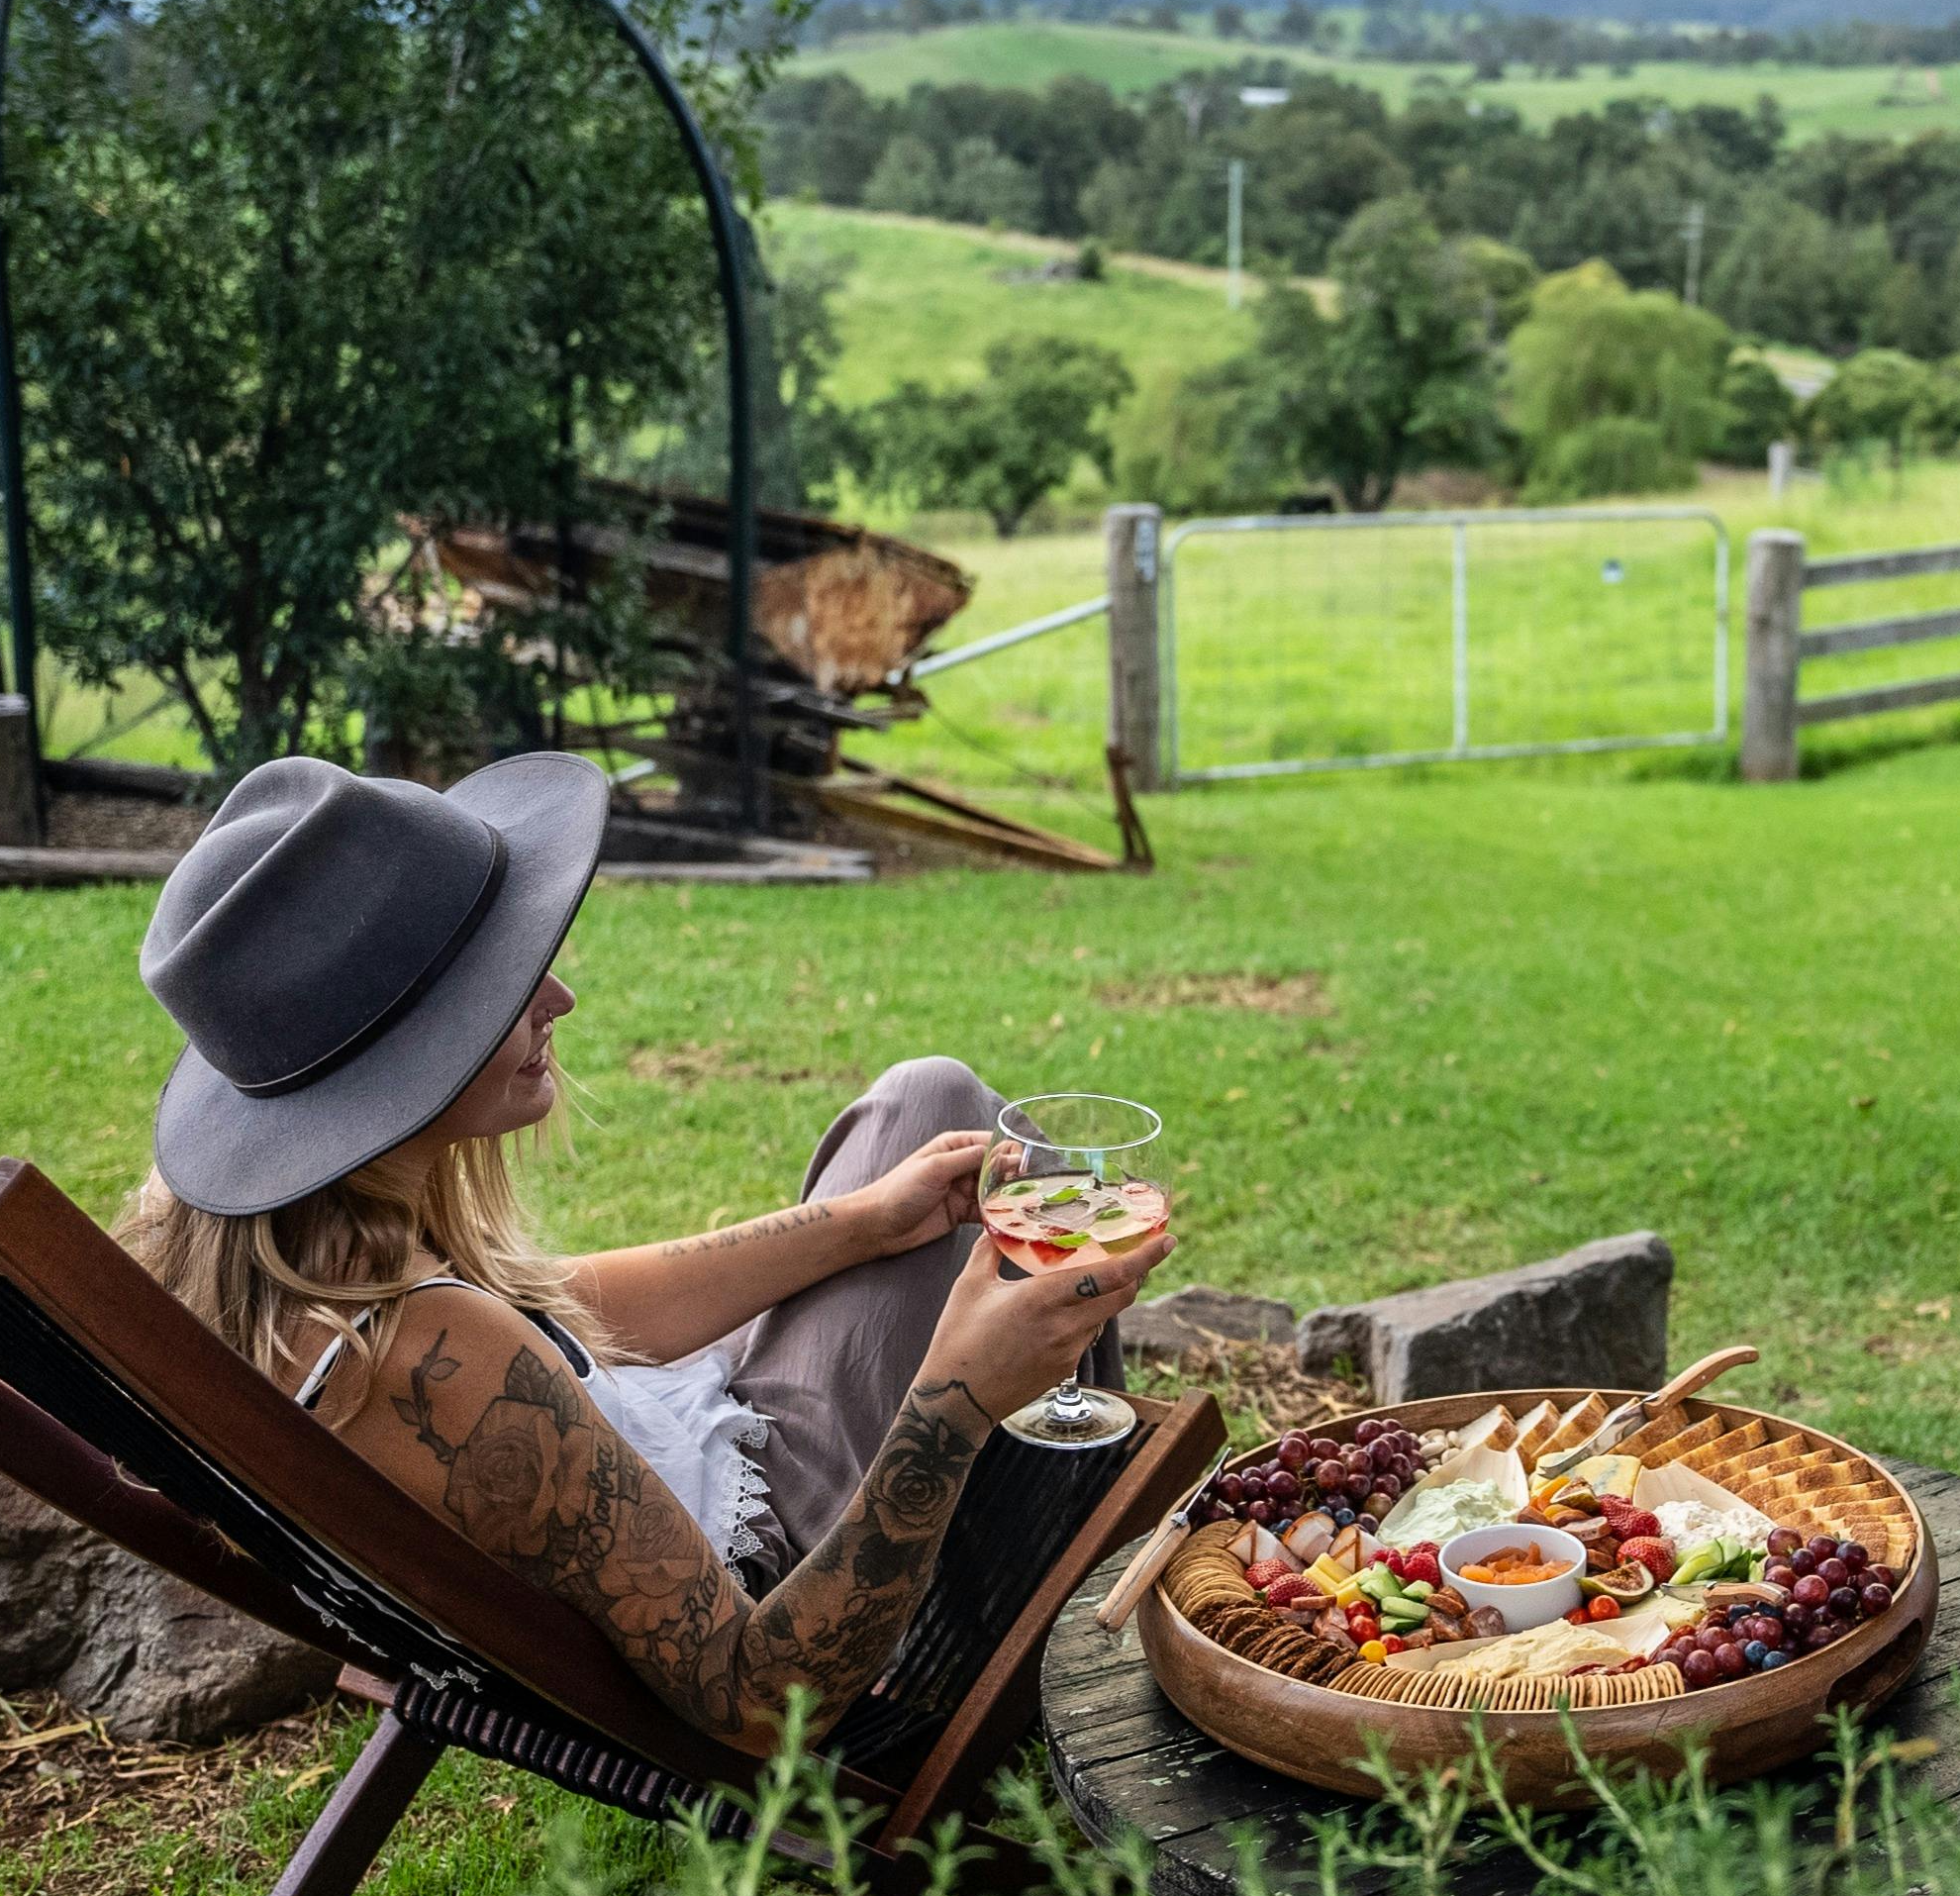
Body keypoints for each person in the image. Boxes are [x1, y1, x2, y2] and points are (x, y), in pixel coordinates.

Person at [113, 748, 1169, 1753]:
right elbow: (759, 1703)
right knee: (1016, 1221)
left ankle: (1070, 1492)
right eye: (500, 986)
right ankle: (1066, 1578)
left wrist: (861, 1222)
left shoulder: (307, 1246)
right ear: (399, 1057)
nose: (558, 999)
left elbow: (554, 1315)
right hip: (781, 1586)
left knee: (925, 1101)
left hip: (692, 1451)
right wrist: (957, 1395)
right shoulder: (419, 1357)